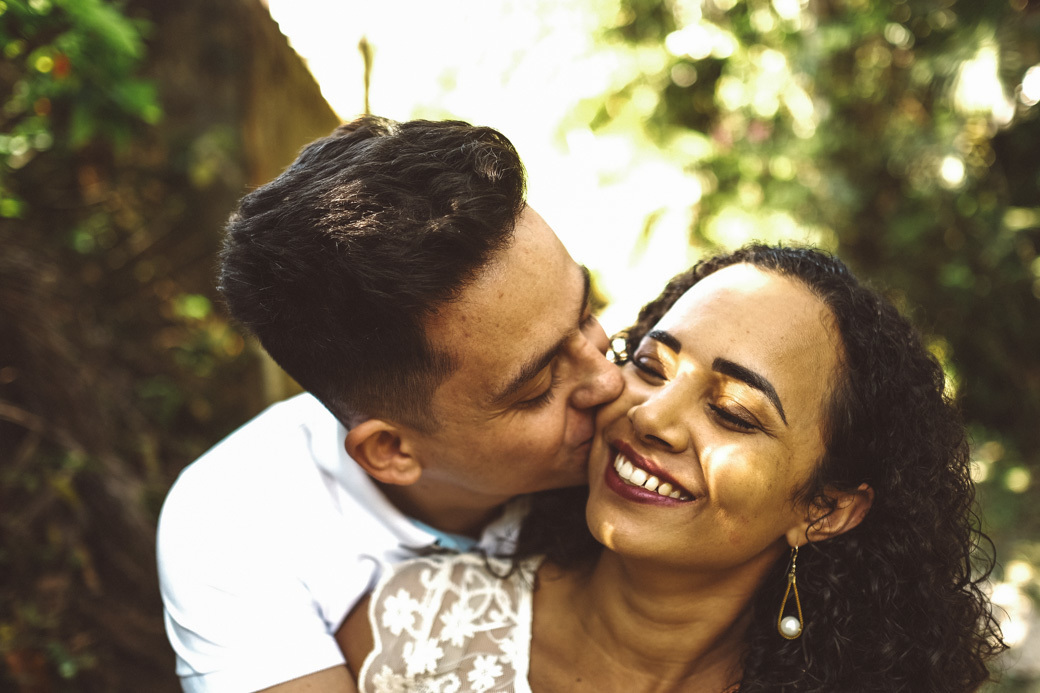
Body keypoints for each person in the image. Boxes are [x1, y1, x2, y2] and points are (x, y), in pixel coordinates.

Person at [339, 244, 1006, 692]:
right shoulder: (412, 631)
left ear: (823, 509)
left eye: (734, 412)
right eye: (650, 365)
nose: (652, 416)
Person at [156, 116, 624, 692]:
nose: (608, 381)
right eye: (537, 388)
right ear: (391, 450)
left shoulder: (647, 419)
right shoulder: (230, 522)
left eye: (588, 315)